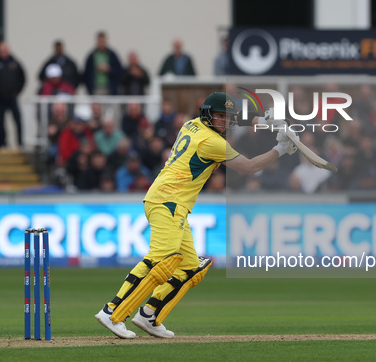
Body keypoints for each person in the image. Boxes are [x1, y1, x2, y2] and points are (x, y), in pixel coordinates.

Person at [95, 92, 296, 339]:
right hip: (167, 201)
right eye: (220, 117)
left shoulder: (191, 124)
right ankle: (113, 311)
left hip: (169, 201)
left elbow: (233, 117)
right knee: (160, 260)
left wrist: (264, 122)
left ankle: (150, 313)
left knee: (192, 267)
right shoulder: (212, 142)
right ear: (208, 115)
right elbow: (250, 167)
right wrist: (281, 148)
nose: (224, 122)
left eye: (227, 118)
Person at [0, 41, 26, 147]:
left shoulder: (15, 63)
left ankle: (20, 143)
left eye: (4, 50)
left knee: (17, 120)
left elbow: (22, 78)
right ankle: (2, 143)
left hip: (12, 98)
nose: (3, 53)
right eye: (1, 51)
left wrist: (17, 92)